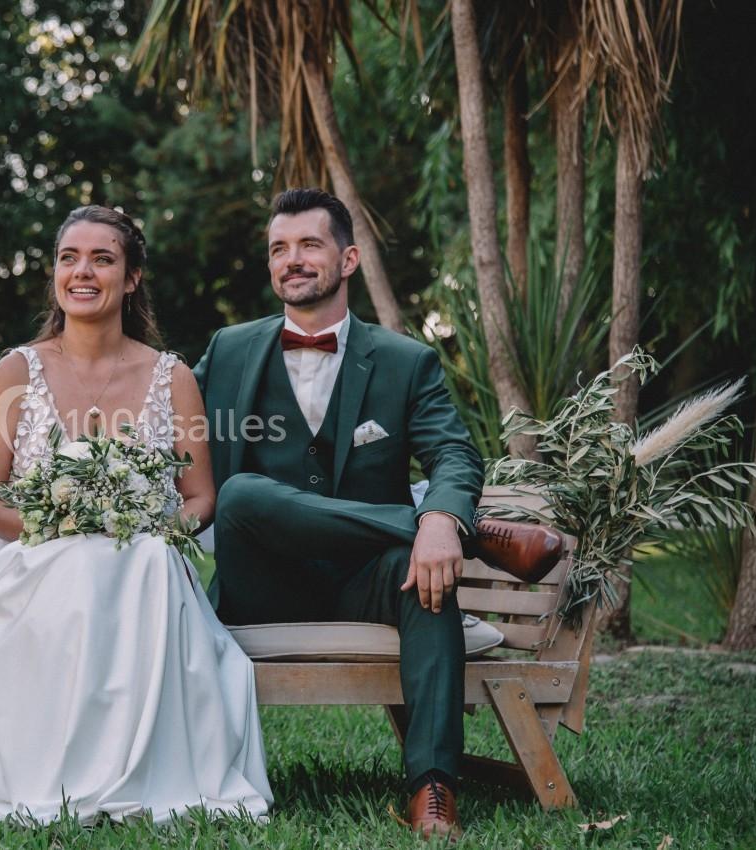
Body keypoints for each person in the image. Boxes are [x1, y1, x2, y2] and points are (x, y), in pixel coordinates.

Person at [192, 188, 564, 840]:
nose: (292, 260)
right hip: (261, 585)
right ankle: (479, 538)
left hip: (366, 575)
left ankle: (432, 787)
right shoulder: (227, 350)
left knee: (428, 577)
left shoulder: (404, 361)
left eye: (309, 244)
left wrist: (441, 518)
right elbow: (169, 433)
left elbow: (453, 453)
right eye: (279, 248)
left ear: (350, 257)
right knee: (244, 495)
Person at [0, 205, 273, 825]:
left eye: (102, 258)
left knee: (135, 558)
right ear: (55, 274)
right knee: (84, 561)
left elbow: (201, 498)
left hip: (143, 567)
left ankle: (142, 769)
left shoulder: (172, 378)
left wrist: (150, 527)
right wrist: (57, 530)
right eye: (69, 258)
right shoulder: (17, 371)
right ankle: (59, 772)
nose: (82, 272)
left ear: (132, 277)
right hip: (24, 565)